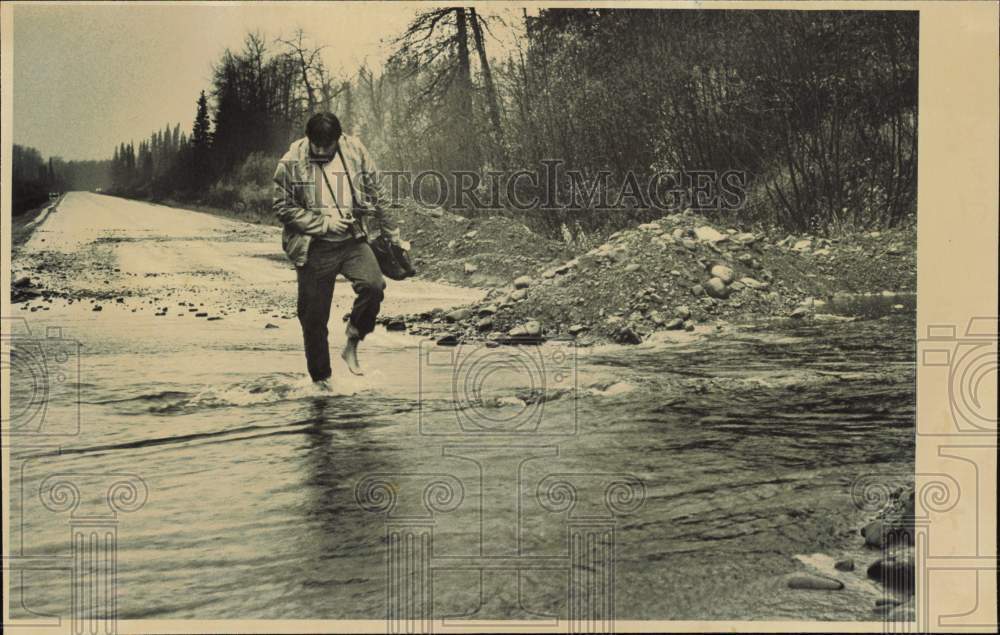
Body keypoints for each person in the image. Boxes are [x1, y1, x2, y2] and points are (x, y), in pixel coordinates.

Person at [273, 112, 403, 387]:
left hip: (351, 241)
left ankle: (353, 340)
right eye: (315, 145)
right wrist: (324, 224)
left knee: (374, 285)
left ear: (338, 139)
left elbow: (379, 192)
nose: (320, 151)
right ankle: (322, 383)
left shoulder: (355, 150)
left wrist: (393, 236)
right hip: (313, 246)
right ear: (307, 139)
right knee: (313, 318)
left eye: (326, 146)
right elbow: (282, 207)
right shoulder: (291, 162)